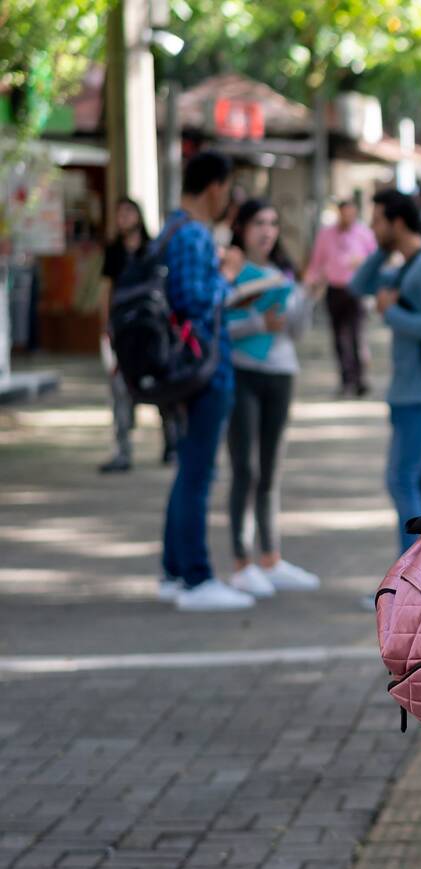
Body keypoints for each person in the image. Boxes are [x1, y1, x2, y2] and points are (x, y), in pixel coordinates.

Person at [158, 151, 257, 612]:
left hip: (177, 367)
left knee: (188, 470)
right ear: (215, 186)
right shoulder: (194, 235)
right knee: (198, 473)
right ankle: (196, 578)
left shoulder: (171, 228)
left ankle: (175, 572)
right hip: (204, 368)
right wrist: (230, 278)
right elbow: (199, 302)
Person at [350, 190, 421, 555]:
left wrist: (392, 313)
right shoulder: (408, 264)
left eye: (378, 220)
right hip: (410, 391)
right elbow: (358, 285)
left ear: (398, 222)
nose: (370, 226)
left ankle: (407, 586)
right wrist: (383, 248)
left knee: (401, 480)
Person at [220, 198, 320, 600]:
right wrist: (260, 322)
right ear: (242, 227)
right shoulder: (229, 272)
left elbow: (296, 332)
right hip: (242, 373)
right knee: (244, 469)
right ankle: (241, 563)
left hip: (280, 373)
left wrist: (307, 297)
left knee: (270, 470)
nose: (267, 230)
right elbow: (218, 326)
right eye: (259, 222)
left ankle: (271, 559)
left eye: (273, 222)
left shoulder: (282, 274)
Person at [98, 197, 176, 473]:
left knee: (162, 386)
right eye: (119, 214)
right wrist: (106, 324)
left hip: (153, 329)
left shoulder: (152, 249)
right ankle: (123, 450)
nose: (124, 218)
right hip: (122, 330)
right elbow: (107, 288)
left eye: (129, 212)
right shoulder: (114, 252)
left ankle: (171, 444)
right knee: (120, 389)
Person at [305, 199, 378, 397]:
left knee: (356, 335)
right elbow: (316, 261)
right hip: (335, 289)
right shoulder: (326, 234)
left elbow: (376, 259)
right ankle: (346, 380)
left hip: (356, 290)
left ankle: (359, 379)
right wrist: (311, 281)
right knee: (339, 337)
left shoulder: (364, 233)